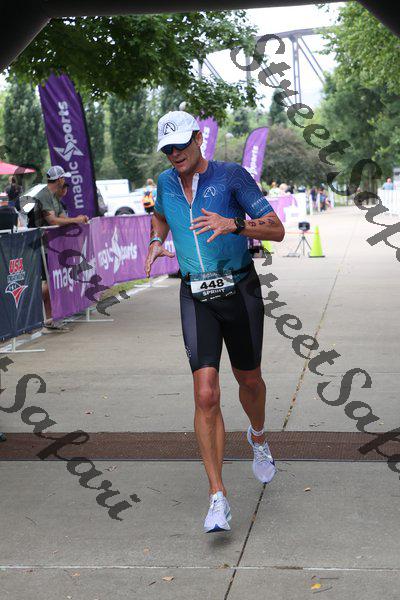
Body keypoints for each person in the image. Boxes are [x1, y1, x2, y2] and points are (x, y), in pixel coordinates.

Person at [145, 111, 285, 533]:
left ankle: (257, 436)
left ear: (197, 139)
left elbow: (276, 229)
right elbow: (161, 216)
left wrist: (234, 224)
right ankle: (217, 497)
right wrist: (156, 240)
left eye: (179, 146)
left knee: (250, 381)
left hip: (240, 291)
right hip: (195, 296)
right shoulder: (165, 182)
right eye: (167, 150)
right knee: (205, 394)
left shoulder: (231, 177)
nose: (174, 155)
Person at [34, 166, 89, 332]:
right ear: (59, 180)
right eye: (63, 178)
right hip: (41, 246)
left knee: (52, 281)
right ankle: (42, 312)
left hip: (51, 246)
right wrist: (76, 220)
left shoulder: (54, 196)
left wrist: (77, 220)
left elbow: (63, 218)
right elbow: (52, 221)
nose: (65, 181)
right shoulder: (44, 195)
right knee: (50, 282)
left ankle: (51, 318)